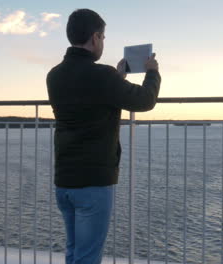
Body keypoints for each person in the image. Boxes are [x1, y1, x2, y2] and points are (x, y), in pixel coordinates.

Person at [46, 8, 161, 264]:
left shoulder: (54, 75)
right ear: (96, 37)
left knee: (74, 251)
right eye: (104, 38)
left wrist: (116, 77)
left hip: (64, 180)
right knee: (87, 257)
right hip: (93, 182)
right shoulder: (102, 75)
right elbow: (145, 101)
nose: (103, 43)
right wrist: (152, 72)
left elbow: (87, 96)